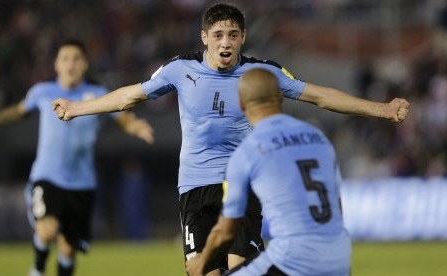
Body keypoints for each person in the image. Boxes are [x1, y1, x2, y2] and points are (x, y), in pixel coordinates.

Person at [52, 3, 409, 275]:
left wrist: (382, 109)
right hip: (193, 187)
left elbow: (320, 96)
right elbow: (130, 96)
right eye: (219, 35)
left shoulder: (261, 72)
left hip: (240, 183)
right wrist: (75, 108)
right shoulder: (180, 69)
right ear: (204, 37)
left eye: (233, 35)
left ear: (242, 38)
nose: (226, 43)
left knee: (240, 266)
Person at [0, 39, 154, 276]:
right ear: (56, 65)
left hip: (82, 183)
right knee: (47, 230)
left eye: (76, 58)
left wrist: (135, 126)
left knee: (67, 250)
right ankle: (37, 269)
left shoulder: (96, 94)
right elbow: (18, 111)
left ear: (84, 65)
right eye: (65, 58)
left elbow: (121, 117)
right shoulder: (42, 92)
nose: (70, 63)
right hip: (47, 176)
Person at [186, 68, 351, 276]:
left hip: (293, 261)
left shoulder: (248, 151)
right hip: (339, 258)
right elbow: (337, 207)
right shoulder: (319, 138)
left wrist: (201, 263)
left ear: (240, 104)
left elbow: (225, 232)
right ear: (280, 97)